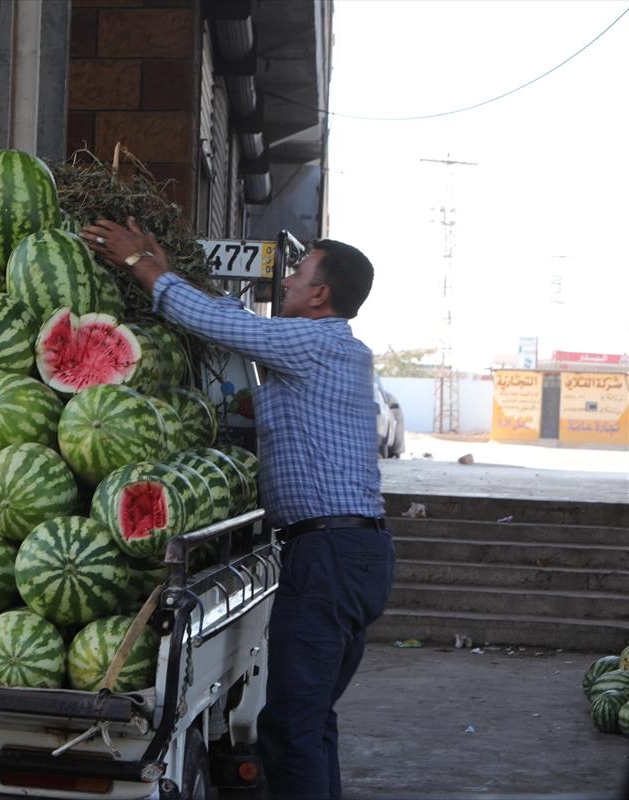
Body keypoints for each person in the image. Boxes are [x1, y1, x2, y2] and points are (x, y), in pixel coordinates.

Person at [80, 216, 396, 800]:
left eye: (299, 273)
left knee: (292, 725)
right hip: (347, 551)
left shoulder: (315, 343)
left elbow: (222, 325)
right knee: (311, 717)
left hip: (329, 554)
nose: (290, 281)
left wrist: (139, 266)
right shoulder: (321, 357)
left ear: (321, 294)